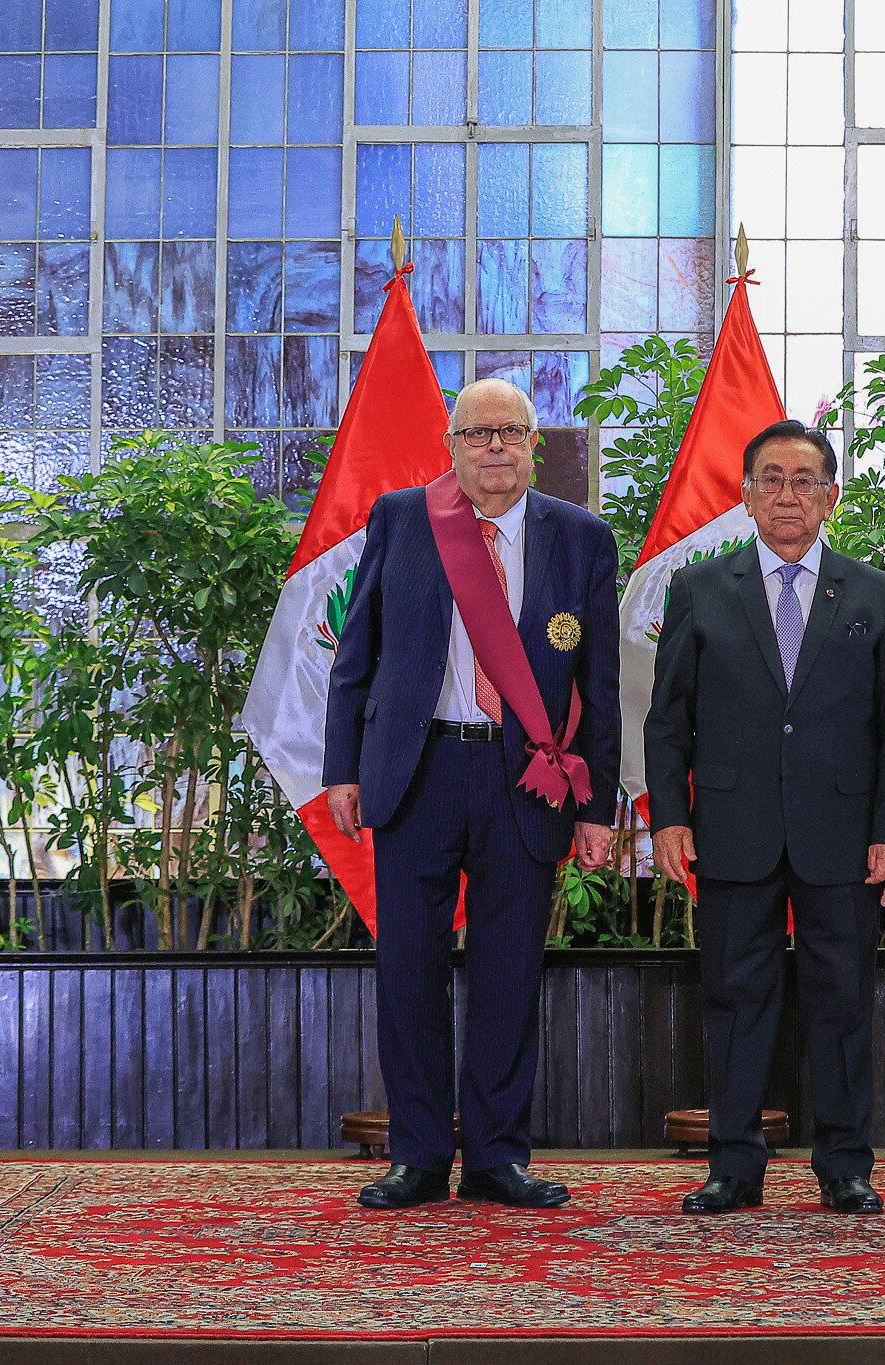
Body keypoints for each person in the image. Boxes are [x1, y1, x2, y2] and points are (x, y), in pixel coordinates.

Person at [322, 377, 621, 1211]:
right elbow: (357, 654)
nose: (495, 447)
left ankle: (496, 1154)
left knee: (509, 970)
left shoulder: (582, 539)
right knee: (407, 967)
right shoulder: (404, 518)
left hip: (525, 777)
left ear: (536, 445)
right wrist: (341, 766)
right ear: (451, 445)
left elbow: (599, 683)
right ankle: (418, 1154)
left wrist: (597, 809)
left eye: (511, 432)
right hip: (417, 769)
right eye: (477, 433)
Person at [644, 419, 885, 1215]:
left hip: (844, 836)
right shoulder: (701, 587)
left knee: (842, 1001)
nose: (788, 494)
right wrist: (668, 817)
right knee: (735, 999)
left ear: (830, 495)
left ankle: (844, 1164)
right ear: (747, 494)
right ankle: (734, 1165)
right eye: (772, 478)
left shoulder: (875, 592)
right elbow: (668, 720)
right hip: (733, 829)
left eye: (805, 480)